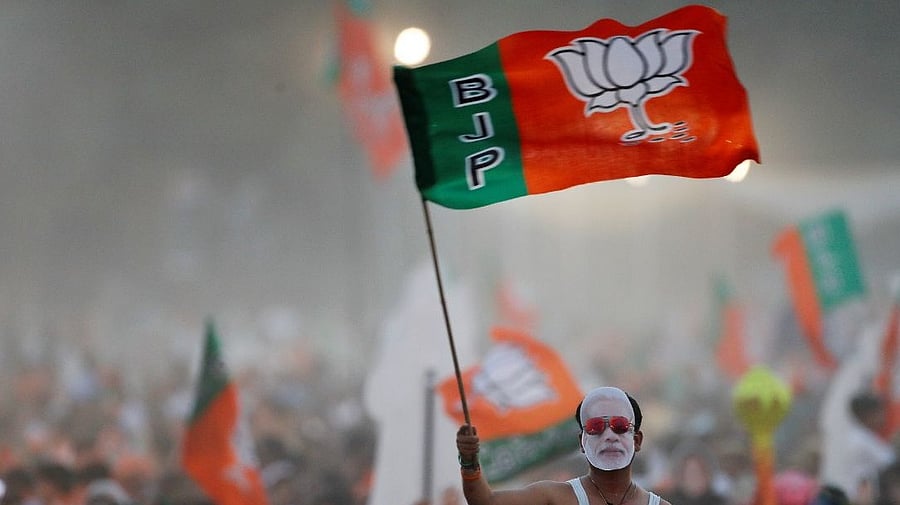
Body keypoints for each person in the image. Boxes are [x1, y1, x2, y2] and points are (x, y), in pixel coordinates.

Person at [456, 386, 670, 505]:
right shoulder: (556, 497)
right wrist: (469, 461)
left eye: (620, 426)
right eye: (596, 427)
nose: (609, 435)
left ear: (637, 440)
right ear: (582, 442)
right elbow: (485, 502)